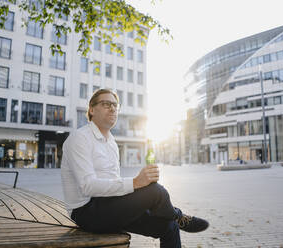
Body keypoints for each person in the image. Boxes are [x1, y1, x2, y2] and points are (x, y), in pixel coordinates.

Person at [61, 89, 209, 247]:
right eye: (106, 104)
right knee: (155, 191)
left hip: (108, 205)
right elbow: (87, 186)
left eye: (115, 105)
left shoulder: (110, 141)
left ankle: (173, 218)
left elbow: (113, 183)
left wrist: (139, 195)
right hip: (86, 213)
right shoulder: (79, 138)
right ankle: (178, 216)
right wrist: (136, 182)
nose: (112, 108)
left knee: (168, 226)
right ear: (91, 109)